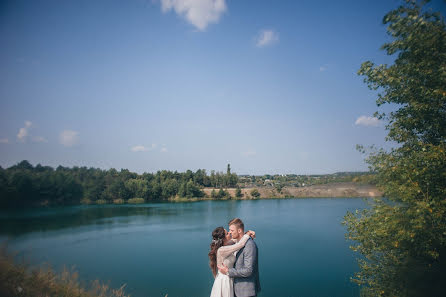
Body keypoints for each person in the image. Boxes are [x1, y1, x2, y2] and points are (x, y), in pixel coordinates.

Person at [217, 218, 261, 297]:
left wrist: (228, 271)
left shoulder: (249, 245)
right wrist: (248, 233)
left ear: (239, 231)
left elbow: (248, 270)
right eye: (229, 230)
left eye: (232, 230)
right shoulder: (235, 242)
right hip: (234, 289)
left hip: (246, 292)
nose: (230, 232)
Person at [209, 225, 256, 297]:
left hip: (228, 277)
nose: (230, 233)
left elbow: (236, 240)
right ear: (223, 238)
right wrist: (248, 234)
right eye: (227, 233)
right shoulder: (222, 250)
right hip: (224, 280)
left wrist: (245, 234)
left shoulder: (226, 244)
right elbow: (240, 244)